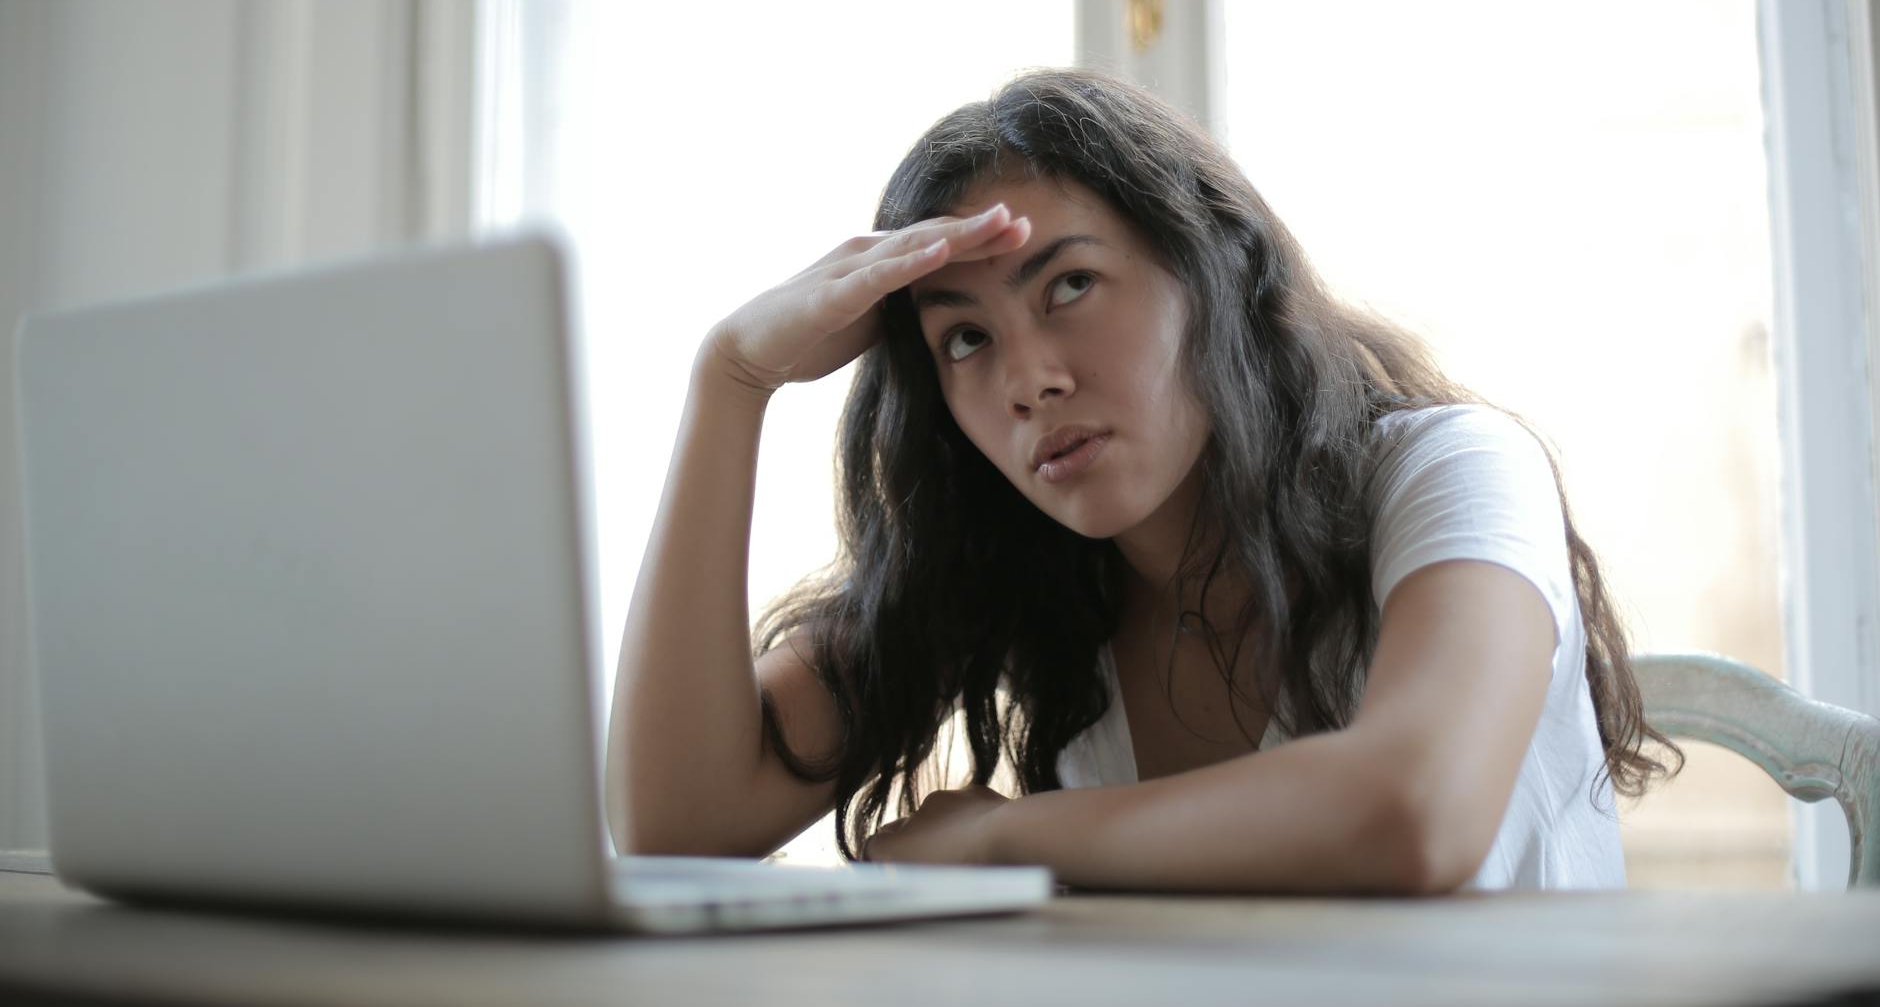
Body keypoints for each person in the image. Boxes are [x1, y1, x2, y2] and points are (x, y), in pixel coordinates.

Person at [605, 68, 1680, 893]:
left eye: (1069, 282)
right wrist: (730, 379)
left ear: (1211, 268)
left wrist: (997, 835)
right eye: (965, 339)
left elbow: (1415, 809)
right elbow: (677, 823)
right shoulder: (1019, 564)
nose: (1029, 378)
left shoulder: (1450, 470)